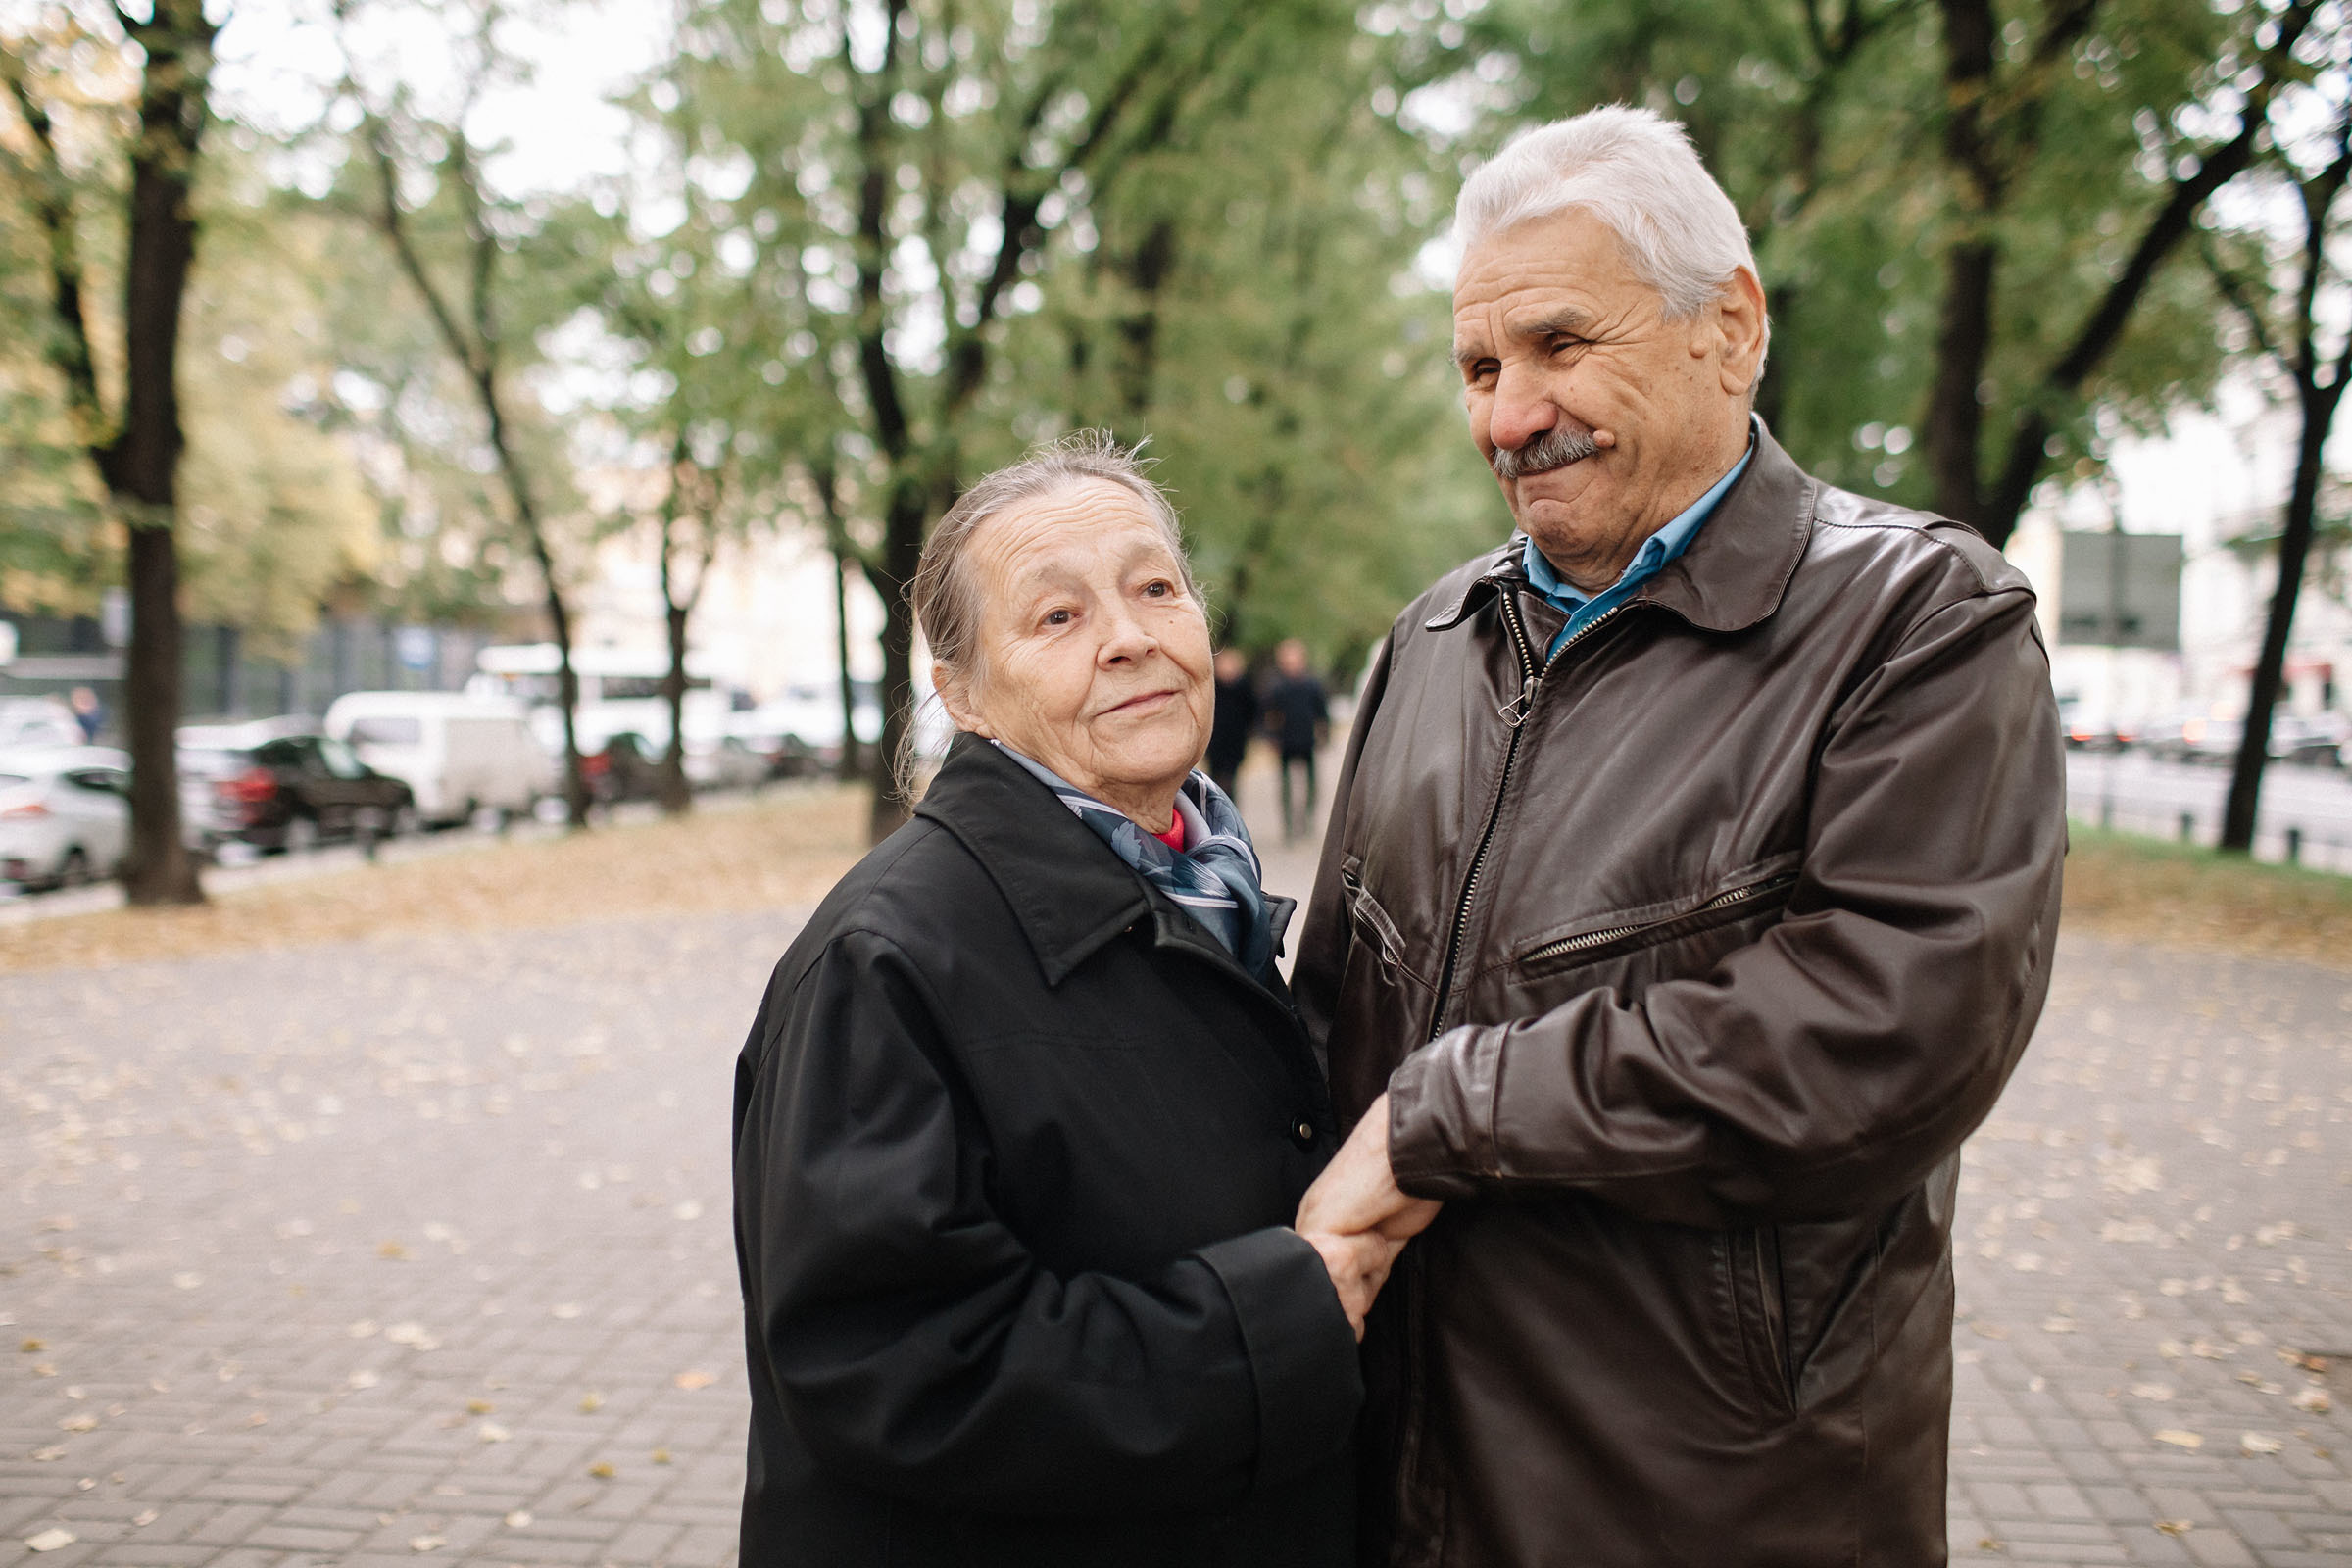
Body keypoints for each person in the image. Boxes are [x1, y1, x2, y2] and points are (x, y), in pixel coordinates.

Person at [1292, 107, 2066, 1567]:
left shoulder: (1919, 624)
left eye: (1561, 346)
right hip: (1397, 1483)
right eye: (1478, 365)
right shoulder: (1433, 641)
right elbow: (1330, 1015)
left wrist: (1443, 1115)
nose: (1508, 416)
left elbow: (1888, 1031)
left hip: (1708, 1504)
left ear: (1731, 326)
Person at [732, 432, 1392, 1568]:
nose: (1131, 637)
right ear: (962, 694)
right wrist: (1283, 1315)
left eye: (1155, 587)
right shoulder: (882, 962)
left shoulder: (1205, 879)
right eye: (1057, 617)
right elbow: (898, 1367)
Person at [1260, 638, 1329, 841]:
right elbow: (1268, 714)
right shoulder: (1276, 687)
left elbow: (1322, 712)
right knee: (1285, 784)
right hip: (1285, 740)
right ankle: (1289, 822)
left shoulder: (1312, 685)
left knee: (1310, 782)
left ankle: (1307, 818)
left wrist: (1324, 734)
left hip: (1307, 739)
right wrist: (1271, 737)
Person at [1205, 646, 1259, 797]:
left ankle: (1230, 808)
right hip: (1214, 738)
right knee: (1214, 776)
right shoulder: (1212, 686)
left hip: (1236, 739)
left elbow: (1252, 711)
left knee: (1231, 778)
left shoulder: (1244, 687)